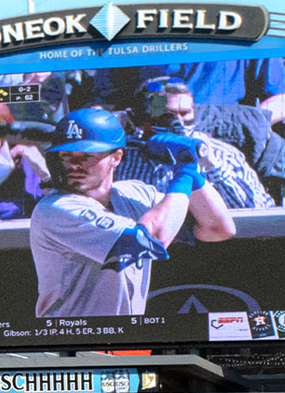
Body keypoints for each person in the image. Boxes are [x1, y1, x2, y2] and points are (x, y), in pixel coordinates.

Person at [30, 108, 235, 318]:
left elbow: (218, 228)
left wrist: (192, 170)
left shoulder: (133, 192)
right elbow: (152, 239)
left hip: (124, 338)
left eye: (86, 156)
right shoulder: (55, 209)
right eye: (66, 156)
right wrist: (182, 176)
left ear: (116, 157)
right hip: (71, 341)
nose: (73, 165)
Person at [117, 77, 276, 209]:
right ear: (142, 121)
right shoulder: (120, 158)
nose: (178, 123)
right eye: (168, 116)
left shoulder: (224, 154)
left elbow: (258, 212)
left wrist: (213, 165)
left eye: (185, 114)